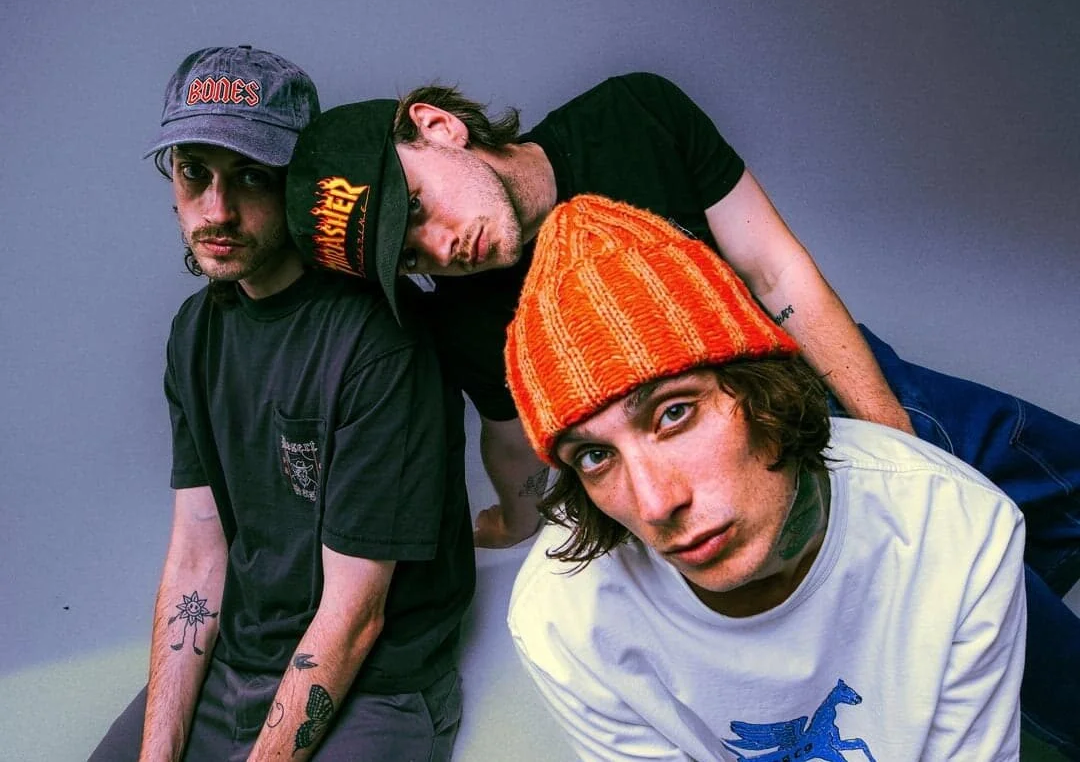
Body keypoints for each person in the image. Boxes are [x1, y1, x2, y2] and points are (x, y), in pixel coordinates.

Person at [283, 73, 1080, 755]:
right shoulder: (463, 320)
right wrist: (515, 520)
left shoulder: (634, 115)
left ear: (437, 126)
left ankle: (958, 658)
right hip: (724, 485)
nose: (440, 248)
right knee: (1041, 655)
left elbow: (776, 271)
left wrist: (893, 452)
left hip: (828, 386)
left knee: (1023, 506)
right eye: (410, 256)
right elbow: (521, 441)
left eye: (420, 208)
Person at [507, 194, 1027, 760]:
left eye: (674, 413)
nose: (655, 504)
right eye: (593, 456)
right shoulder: (563, 616)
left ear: (767, 391)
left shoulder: (954, 525)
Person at [90, 46, 474, 761]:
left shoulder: (378, 340)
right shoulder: (195, 333)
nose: (217, 210)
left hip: (374, 684)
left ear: (299, 183)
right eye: (194, 172)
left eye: (250, 177)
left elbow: (355, 616)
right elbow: (197, 554)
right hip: (235, 665)